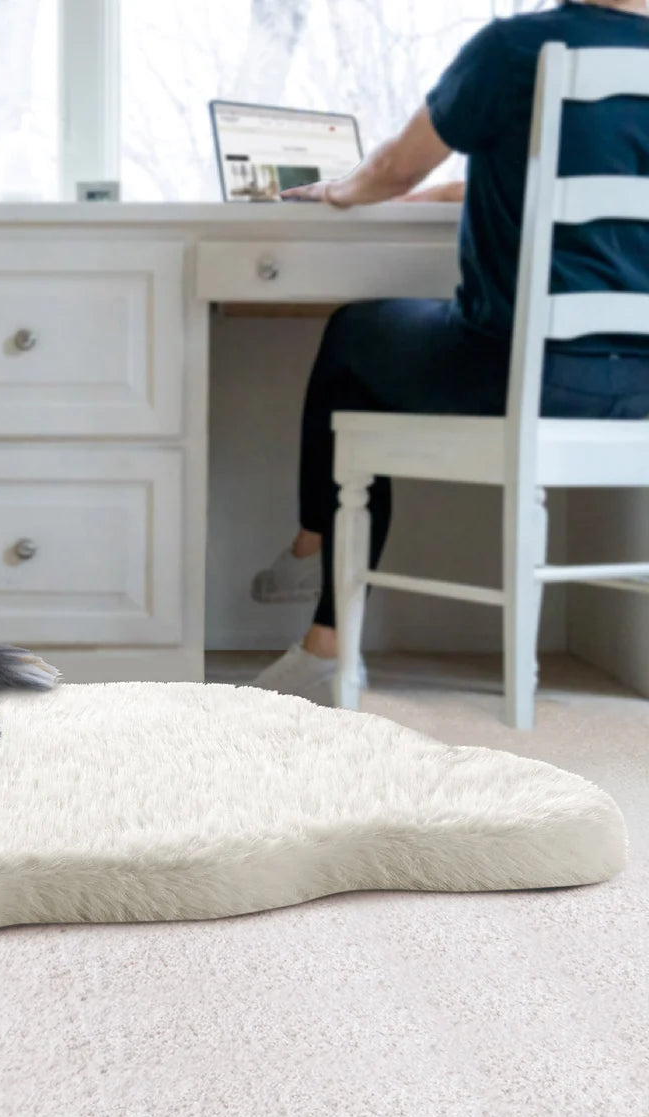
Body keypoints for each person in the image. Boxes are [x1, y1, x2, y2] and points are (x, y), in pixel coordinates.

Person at [251, 0, 649, 702]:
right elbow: (550, 177)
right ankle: (315, 590)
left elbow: (395, 167)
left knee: (351, 335)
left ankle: (316, 567)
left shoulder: (517, 47)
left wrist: (342, 191)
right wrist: (429, 197)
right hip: (635, 387)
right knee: (369, 343)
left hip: (520, 374)